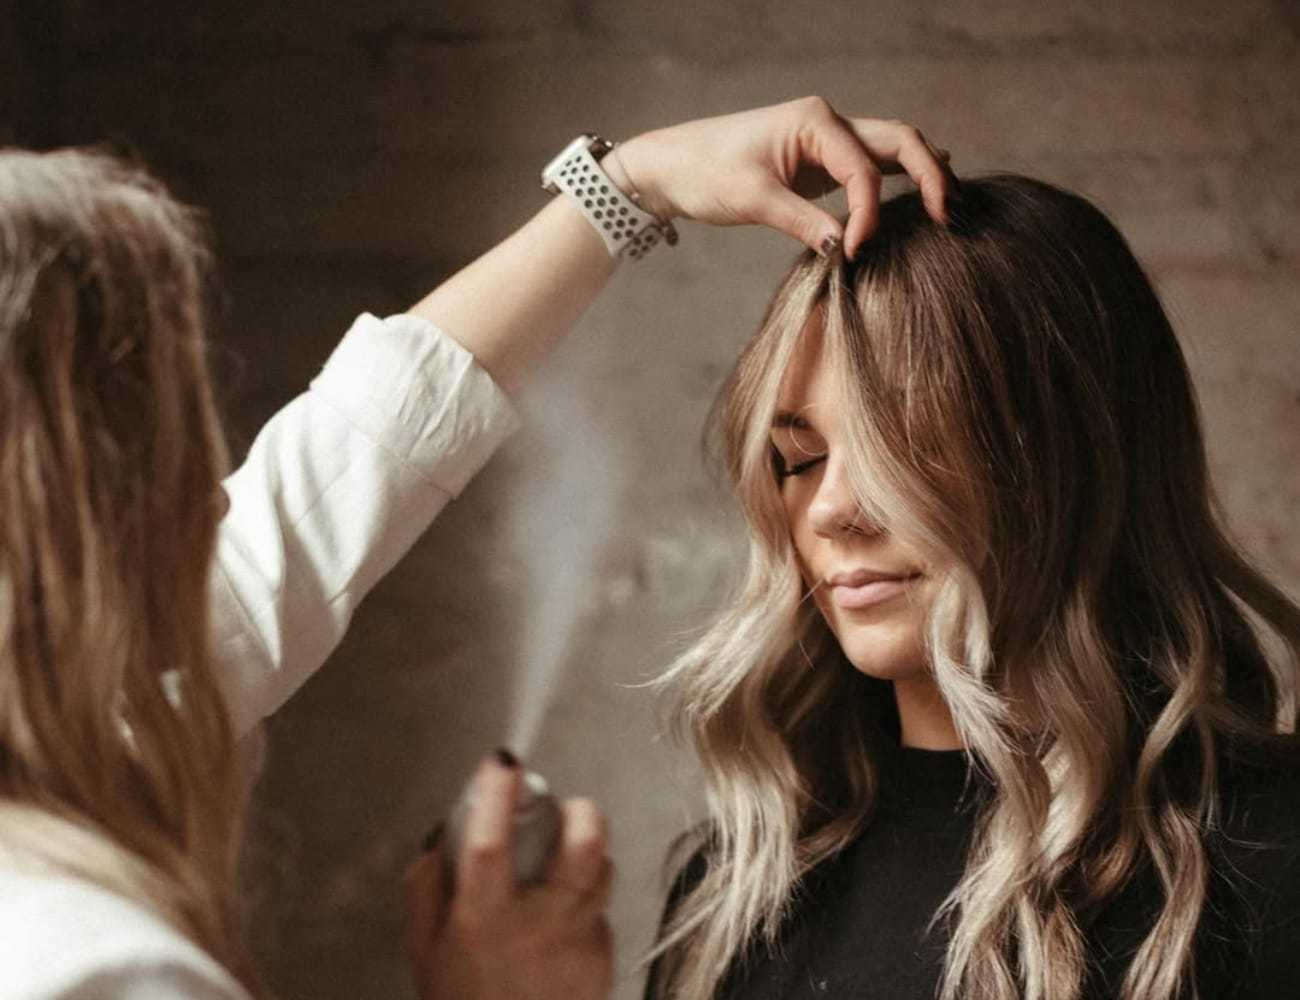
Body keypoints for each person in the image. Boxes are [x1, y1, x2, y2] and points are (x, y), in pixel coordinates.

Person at [0, 98, 953, 999]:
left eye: (901, 451)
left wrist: (633, 184)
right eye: (170, 455)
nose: (216, 499)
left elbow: (335, 473)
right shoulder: (90, 968)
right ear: (61, 526)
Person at [642, 174, 1300, 1000]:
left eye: (907, 442)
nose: (834, 508)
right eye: (799, 458)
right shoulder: (736, 894)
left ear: (1071, 456)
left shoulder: (1269, 859)